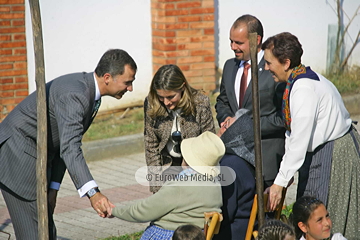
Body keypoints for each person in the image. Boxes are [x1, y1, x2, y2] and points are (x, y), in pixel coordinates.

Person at [0, 49, 137, 240]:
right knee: (35, 232)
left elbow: (62, 145)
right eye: (128, 82)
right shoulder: (76, 95)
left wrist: (53, 189)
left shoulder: (87, 91)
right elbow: (70, 148)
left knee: (45, 230)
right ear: (107, 77)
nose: (130, 88)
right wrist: (93, 193)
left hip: (35, 153)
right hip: (16, 155)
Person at [263, 32, 360, 239]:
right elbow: (293, 132)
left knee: (323, 217)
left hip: (335, 155)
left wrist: (280, 183)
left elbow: (299, 140)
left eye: (269, 62)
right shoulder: (294, 81)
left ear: (286, 62)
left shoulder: (303, 88)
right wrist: (286, 173)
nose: (266, 67)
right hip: (322, 151)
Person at [110, 131, 224, 240]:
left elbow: (143, 211)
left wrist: (114, 211)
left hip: (172, 235)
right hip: (198, 235)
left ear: (188, 159)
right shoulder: (215, 183)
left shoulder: (180, 186)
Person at [215, 14, 285, 188]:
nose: (233, 47)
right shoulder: (230, 66)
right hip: (234, 158)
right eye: (231, 41)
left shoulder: (273, 70)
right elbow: (222, 101)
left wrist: (245, 125)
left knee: (265, 214)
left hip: (265, 159)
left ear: (256, 40)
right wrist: (226, 120)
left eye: (238, 43)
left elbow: (282, 118)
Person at [144, 64, 215, 193]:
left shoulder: (200, 103)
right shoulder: (151, 103)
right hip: (168, 166)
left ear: (182, 87)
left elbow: (209, 140)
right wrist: (156, 185)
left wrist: (191, 166)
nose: (166, 102)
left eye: (171, 97)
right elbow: (151, 145)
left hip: (196, 167)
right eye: (161, 97)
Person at [213, 108, 256, 240]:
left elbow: (224, 213)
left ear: (235, 135)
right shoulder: (242, 161)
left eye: (226, 125)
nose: (221, 125)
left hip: (231, 234)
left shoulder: (229, 165)